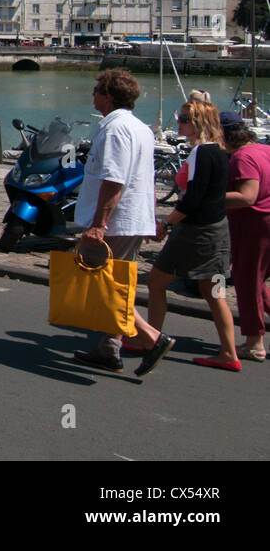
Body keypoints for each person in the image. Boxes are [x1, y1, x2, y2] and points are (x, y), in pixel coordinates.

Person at [72, 68, 176, 378]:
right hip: (132, 218)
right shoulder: (140, 128)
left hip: (114, 223)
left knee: (100, 285)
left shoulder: (115, 129)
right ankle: (109, 348)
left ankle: (151, 337)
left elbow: (114, 180)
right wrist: (147, 217)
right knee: (118, 284)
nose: (92, 95)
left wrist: (99, 223)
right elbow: (145, 178)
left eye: (96, 90)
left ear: (108, 95)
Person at [128, 99, 239, 369]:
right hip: (216, 229)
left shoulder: (200, 153)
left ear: (198, 123)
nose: (179, 123)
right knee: (214, 290)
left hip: (195, 231)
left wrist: (166, 224)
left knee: (156, 281)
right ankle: (229, 353)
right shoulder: (220, 152)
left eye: (185, 119)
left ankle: (151, 338)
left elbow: (193, 199)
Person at [222, 111, 270, 362]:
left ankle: (254, 343)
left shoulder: (243, 157)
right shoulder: (264, 150)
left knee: (247, 282)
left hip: (255, 225)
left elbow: (247, 196)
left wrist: (209, 197)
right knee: (259, 282)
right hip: (265, 221)